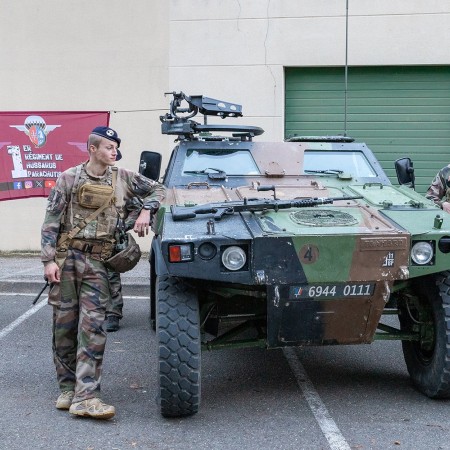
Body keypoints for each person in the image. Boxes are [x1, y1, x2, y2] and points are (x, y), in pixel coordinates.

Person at [41, 126, 165, 419]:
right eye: (109, 147)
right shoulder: (68, 178)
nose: (114, 152)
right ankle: (68, 389)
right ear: (92, 149)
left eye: (116, 148)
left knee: (94, 328)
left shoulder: (123, 177)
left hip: (98, 263)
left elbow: (158, 188)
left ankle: (87, 396)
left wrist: (147, 211)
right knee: (64, 326)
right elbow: (51, 220)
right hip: (67, 259)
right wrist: (48, 261)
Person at [105, 202, 151, 332]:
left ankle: (113, 313)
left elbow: (137, 207)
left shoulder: (120, 185)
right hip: (88, 238)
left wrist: (122, 226)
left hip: (111, 239)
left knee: (111, 276)